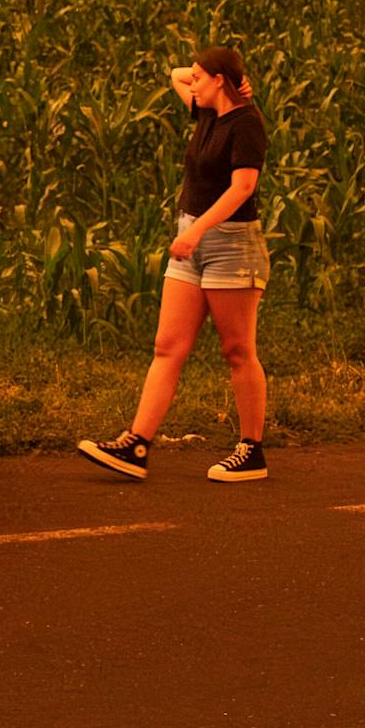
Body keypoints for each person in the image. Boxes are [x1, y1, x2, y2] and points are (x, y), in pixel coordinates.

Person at [78, 46, 272, 485]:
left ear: (219, 82)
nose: (192, 83)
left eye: (202, 78)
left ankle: (251, 450)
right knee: (168, 345)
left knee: (237, 351)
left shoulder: (246, 124)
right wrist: (222, 75)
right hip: (193, 242)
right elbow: (175, 73)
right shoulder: (205, 111)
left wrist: (196, 231)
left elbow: (242, 188)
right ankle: (136, 445)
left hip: (231, 245)